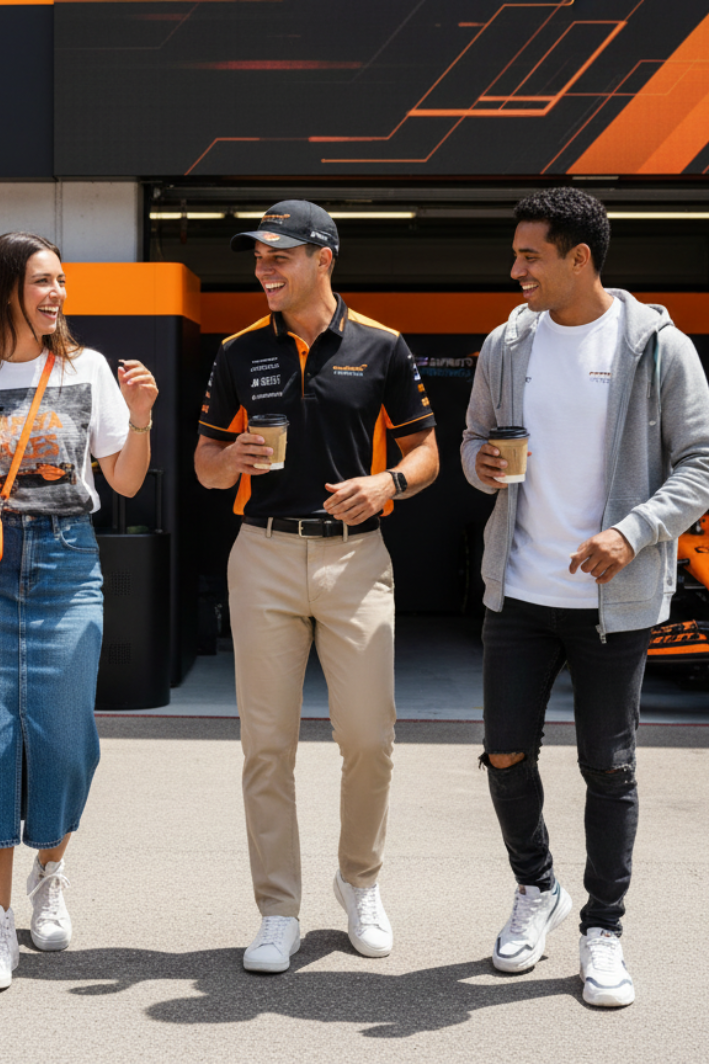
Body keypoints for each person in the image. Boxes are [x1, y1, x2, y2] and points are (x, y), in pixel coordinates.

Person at [462, 187, 709, 1007]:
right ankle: (538, 888)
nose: (515, 269)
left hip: (615, 600)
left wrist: (632, 532)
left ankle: (603, 927)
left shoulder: (656, 347)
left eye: (531, 255)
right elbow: (473, 442)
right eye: (515, 253)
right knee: (504, 754)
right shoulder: (507, 344)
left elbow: (699, 466)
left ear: (580, 259)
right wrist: (480, 466)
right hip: (520, 592)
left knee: (609, 766)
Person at [0, 231, 157, 991]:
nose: (58, 295)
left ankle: (50, 872)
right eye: (44, 282)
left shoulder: (85, 370)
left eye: (61, 282)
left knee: (62, 736)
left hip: (67, 560)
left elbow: (126, 482)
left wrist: (141, 417)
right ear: (4, 288)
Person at [195, 201, 439, 972]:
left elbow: (427, 450)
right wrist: (226, 459)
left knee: (368, 739)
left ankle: (358, 882)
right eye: (257, 257)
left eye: (278, 256)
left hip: (356, 558)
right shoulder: (236, 352)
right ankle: (277, 909)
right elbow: (204, 465)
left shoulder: (383, 346)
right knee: (266, 746)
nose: (263, 269)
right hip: (262, 555)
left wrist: (388, 483)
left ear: (323, 257)